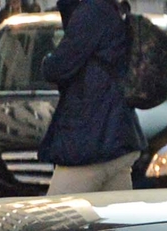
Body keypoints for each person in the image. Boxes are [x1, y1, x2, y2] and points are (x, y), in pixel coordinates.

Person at [37, 0, 137, 195]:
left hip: (90, 139)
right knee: (118, 221)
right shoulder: (110, 10)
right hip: (115, 139)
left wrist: (46, 62)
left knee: (56, 218)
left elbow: (58, 67)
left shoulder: (92, 13)